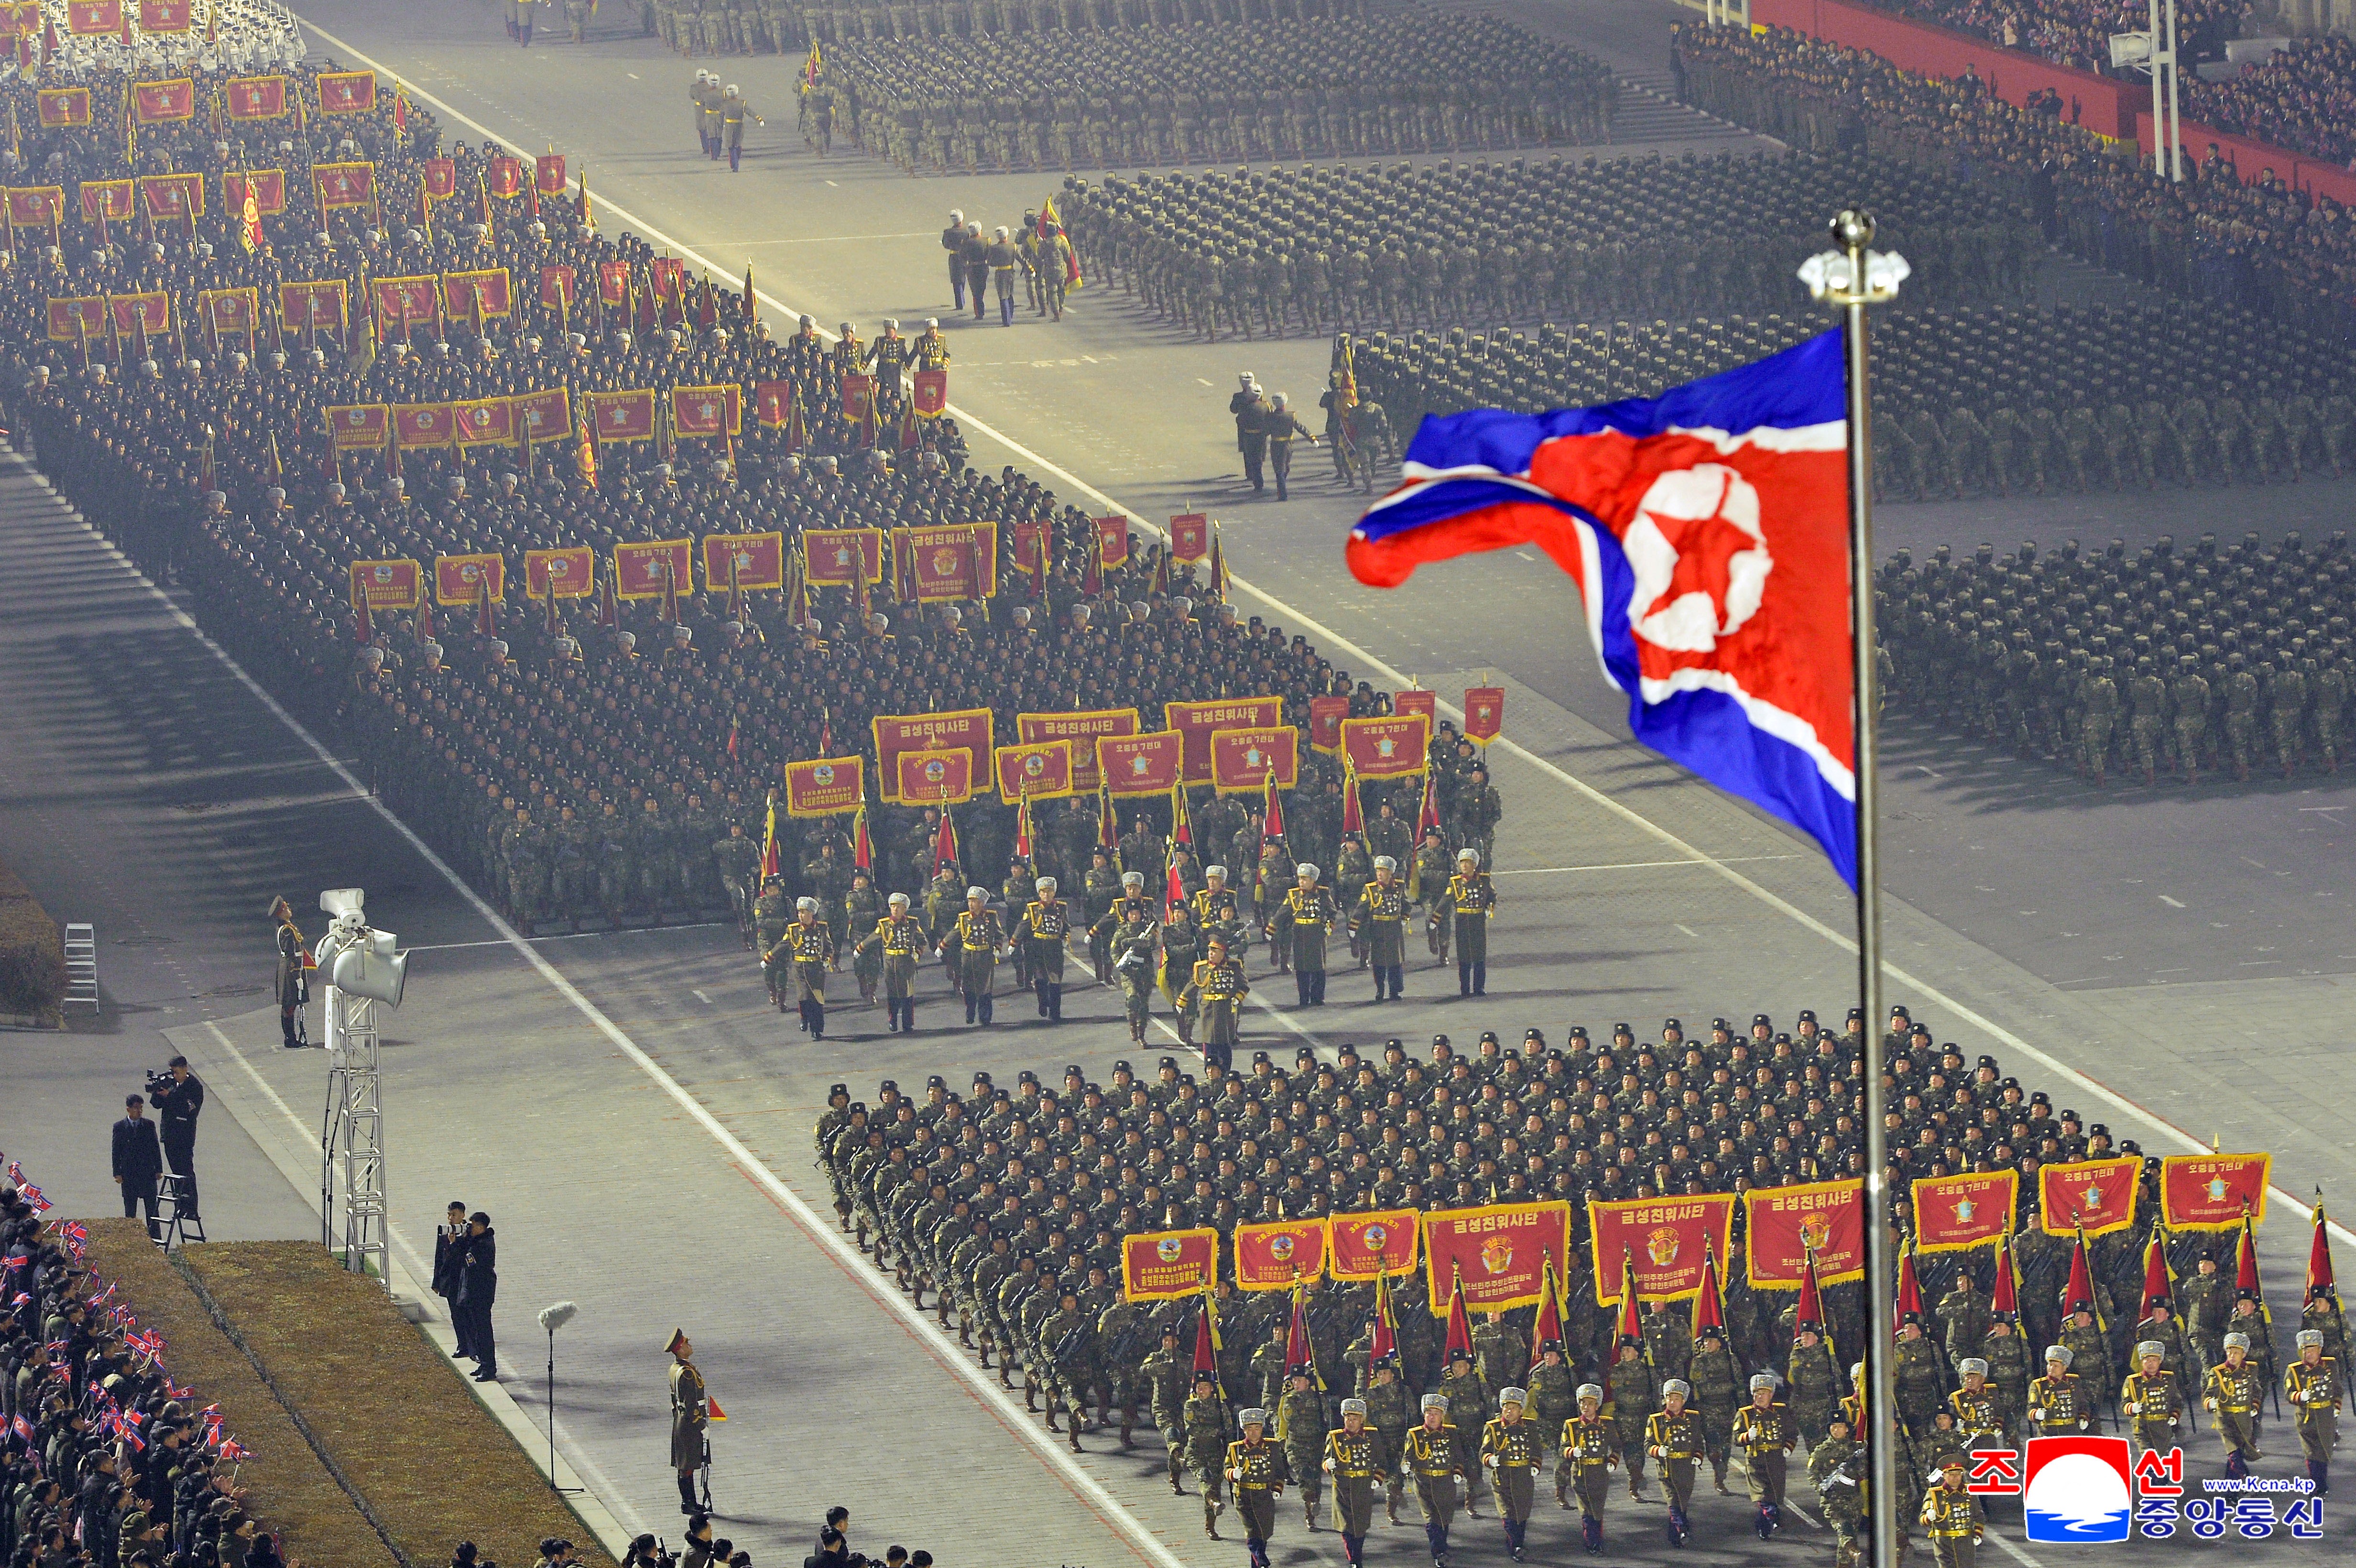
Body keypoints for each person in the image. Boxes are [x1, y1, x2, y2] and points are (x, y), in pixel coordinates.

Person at [1480, 1387, 1540, 1562]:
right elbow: (1484, 1451)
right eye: (1506, 1407)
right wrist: (1490, 1459)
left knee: (1522, 1513)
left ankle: (1519, 1541)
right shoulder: (1493, 1428)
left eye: (1513, 1408)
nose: (1508, 1411)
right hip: (1503, 1477)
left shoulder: (1529, 1426)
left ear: (1521, 1410)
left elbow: (1537, 1449)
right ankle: (1515, 1545)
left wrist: (1535, 1465)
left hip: (1523, 1477)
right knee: (1508, 1514)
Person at [1732, 1373, 1792, 1539]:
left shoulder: (1781, 1411)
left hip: (1776, 1460)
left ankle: (1763, 1527)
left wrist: (1788, 1447)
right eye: (1756, 1393)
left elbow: (1792, 1433)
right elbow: (1736, 1439)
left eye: (1763, 1393)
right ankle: (1774, 1520)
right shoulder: (1745, 1414)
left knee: (1774, 1495)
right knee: (1763, 1495)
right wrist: (1747, 1437)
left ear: (1771, 1395)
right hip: (1756, 1461)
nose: (1759, 1397)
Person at [1404, 1392, 1461, 1566]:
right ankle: (1438, 1552)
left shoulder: (1451, 1433)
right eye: (1429, 1413)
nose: (1432, 1417)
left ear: (1443, 1416)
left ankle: (1442, 1545)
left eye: (1436, 1413)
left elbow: (1458, 1455)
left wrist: (1458, 1471)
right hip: (1424, 1483)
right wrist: (1406, 1464)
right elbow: (1409, 1455)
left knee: (1444, 1517)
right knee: (1431, 1519)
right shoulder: (1415, 1434)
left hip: (1445, 1483)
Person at [1323, 1397, 1381, 1567]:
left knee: (1360, 1526)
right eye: (1348, 1418)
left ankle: (1357, 1553)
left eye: (1355, 1418)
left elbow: (1382, 1461)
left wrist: (1377, 1478)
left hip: (1364, 1487)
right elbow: (1326, 1459)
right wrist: (1328, 1465)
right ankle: (1355, 1560)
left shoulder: (1372, 1436)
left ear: (1362, 1419)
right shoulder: (1335, 1437)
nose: (1351, 1422)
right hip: (1343, 1486)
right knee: (1346, 1525)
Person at [1560, 1383, 1616, 1554]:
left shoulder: (1607, 1425)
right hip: (1580, 1473)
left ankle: (1596, 1539)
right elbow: (1563, 1448)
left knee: (1597, 1509)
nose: (1585, 1407)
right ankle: (1592, 1541)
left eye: (1590, 1403)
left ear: (1597, 1406)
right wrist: (1572, 1452)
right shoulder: (1572, 1425)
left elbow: (1617, 1446)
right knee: (1586, 1509)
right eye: (1583, 1403)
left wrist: (1612, 1461)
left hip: (1600, 1472)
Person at [1646, 1377, 1702, 1546]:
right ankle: (1682, 1529)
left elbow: (1698, 1442)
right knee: (1673, 1502)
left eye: (1676, 1399)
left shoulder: (1693, 1418)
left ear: (1684, 1401)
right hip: (1667, 1468)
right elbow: (1648, 1444)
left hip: (1686, 1468)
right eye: (1669, 1398)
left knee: (1682, 1502)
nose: (1672, 1402)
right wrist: (1658, 1451)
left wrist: (1698, 1456)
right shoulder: (1656, 1420)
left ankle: (1675, 1535)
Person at [1224, 1407, 1282, 1568]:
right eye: (1250, 1429)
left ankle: (1256, 1565)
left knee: (1264, 1533)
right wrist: (1233, 1474)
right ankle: (1262, 1562)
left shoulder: (1273, 1447)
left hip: (1265, 1496)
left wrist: (1277, 1489)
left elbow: (1279, 1471)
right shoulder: (1236, 1448)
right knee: (1252, 1532)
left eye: (1257, 1429)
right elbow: (1226, 1470)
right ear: (1244, 1431)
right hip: (1245, 1496)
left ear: (1262, 1428)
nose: (1254, 1433)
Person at [149, 1054, 205, 1216]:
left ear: (185, 1069)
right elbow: (156, 1104)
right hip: (170, 1134)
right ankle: (180, 1205)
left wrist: (170, 1096)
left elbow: (190, 1109)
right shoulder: (170, 1083)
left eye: (177, 1072)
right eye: (173, 1072)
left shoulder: (194, 1087)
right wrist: (158, 1091)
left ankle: (192, 1208)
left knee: (186, 1171)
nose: (175, 1076)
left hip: (184, 1136)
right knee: (175, 1172)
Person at [2285, 1328, 2338, 1493]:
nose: (2308, 1353)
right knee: (2311, 1452)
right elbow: (2288, 1394)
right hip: (2306, 1417)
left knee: (2324, 1450)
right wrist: (2300, 1396)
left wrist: (2336, 1408)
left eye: (2312, 1349)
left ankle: (2320, 1481)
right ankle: (2318, 1485)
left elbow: (2338, 1389)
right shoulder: (2295, 1370)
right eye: (2305, 1349)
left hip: (2326, 1415)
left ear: (2320, 1350)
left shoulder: (2331, 1365)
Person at [110, 1091, 164, 1239]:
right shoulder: (120, 1127)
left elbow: (155, 1148)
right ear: (128, 1109)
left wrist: (159, 1169)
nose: (139, 1111)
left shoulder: (148, 1125)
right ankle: (132, 1240)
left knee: (152, 1210)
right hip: (129, 1174)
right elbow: (116, 1151)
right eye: (136, 1108)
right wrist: (117, 1172)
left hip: (147, 1173)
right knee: (130, 1211)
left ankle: (155, 1239)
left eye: (141, 1108)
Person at [667, 1328, 708, 1516]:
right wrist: (701, 1425)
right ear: (680, 1349)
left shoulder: (676, 1369)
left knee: (686, 1464)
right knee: (687, 1465)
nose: (690, 1346)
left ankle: (690, 1501)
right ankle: (688, 1503)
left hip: (681, 1420)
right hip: (690, 1424)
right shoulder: (686, 1374)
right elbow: (691, 1404)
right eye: (686, 1344)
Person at [1918, 1453, 1984, 1568]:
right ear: (1944, 1475)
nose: (1955, 1478)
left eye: (1958, 1474)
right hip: (1944, 1544)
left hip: (1966, 1544)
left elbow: (1979, 1517)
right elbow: (1922, 1520)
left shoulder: (1969, 1492)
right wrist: (1929, 1517)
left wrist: (1978, 1534)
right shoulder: (1935, 1494)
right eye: (1951, 1474)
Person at [458, 1210, 498, 1381]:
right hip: (477, 1292)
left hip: (481, 1294)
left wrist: (458, 1243)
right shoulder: (479, 1240)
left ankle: (489, 1368)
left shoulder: (482, 1245)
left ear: (481, 1227)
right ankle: (484, 1364)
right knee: (478, 1331)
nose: (470, 1229)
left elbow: (467, 1262)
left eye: (473, 1226)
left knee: (483, 1332)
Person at [435, 1199, 475, 1358]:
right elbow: (439, 1257)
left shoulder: (469, 1232)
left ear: (463, 1215)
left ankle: (474, 1349)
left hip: (464, 1280)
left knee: (468, 1315)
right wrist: (436, 1281)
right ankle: (462, 1346)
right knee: (456, 1315)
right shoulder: (445, 1232)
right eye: (449, 1215)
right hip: (450, 1281)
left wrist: (455, 1243)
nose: (451, 1218)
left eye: (454, 1215)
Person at [271, 896, 307, 1048]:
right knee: (289, 1005)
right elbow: (291, 954)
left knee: (291, 1004)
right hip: (290, 970)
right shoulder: (287, 931)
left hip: (291, 968)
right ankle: (290, 1038)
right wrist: (297, 976)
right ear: (281, 913)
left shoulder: (289, 927)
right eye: (285, 908)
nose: (288, 909)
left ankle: (291, 1037)